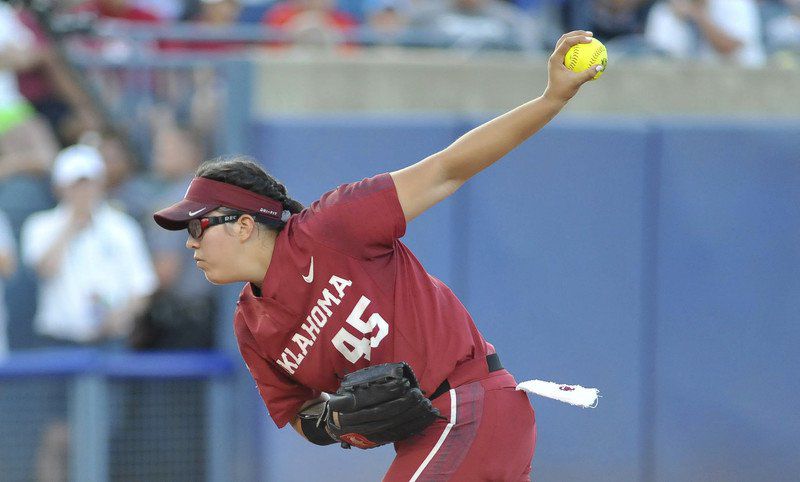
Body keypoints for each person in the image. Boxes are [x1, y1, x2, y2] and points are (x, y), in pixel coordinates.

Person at [153, 31, 601, 481]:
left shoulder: (331, 226)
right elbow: (299, 413)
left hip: (471, 403)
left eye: (197, 226)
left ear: (245, 224)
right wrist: (332, 422)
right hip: (434, 436)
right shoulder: (251, 327)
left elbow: (447, 169)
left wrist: (550, 100)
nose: (190, 241)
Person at [21, 143, 157, 346]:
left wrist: (121, 315)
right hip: (59, 342)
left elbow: (143, 285)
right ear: (59, 187)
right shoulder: (40, 225)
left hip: (111, 342)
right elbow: (44, 270)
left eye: (89, 183)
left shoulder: (122, 226)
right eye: (76, 184)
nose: (84, 191)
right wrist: (72, 226)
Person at [644, 0, 766, 67]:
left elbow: (729, 48)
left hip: (745, 88)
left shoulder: (735, 3)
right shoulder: (664, 11)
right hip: (688, 92)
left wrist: (698, 15)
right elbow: (657, 59)